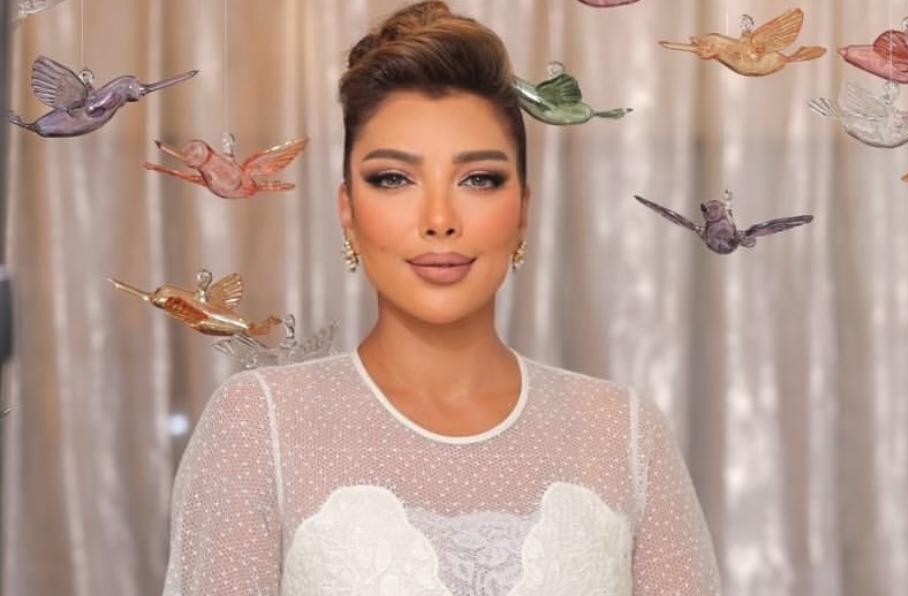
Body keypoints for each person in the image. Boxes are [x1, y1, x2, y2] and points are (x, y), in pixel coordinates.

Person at [160, 2, 721, 594]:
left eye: (478, 179)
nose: (438, 219)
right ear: (348, 211)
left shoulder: (624, 433)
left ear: (522, 210)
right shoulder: (260, 425)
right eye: (393, 179)